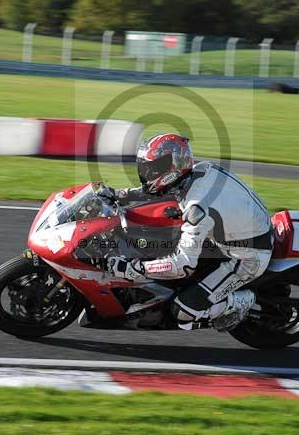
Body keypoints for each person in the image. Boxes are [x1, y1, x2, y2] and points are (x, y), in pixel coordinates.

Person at [104, 133, 272, 331]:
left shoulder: (196, 209)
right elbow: (158, 191)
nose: (147, 173)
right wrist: (119, 195)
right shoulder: (200, 170)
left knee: (183, 314)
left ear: (172, 168)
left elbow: (183, 266)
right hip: (236, 231)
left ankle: (239, 302)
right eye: (145, 167)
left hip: (246, 257)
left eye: (152, 168)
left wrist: (132, 268)